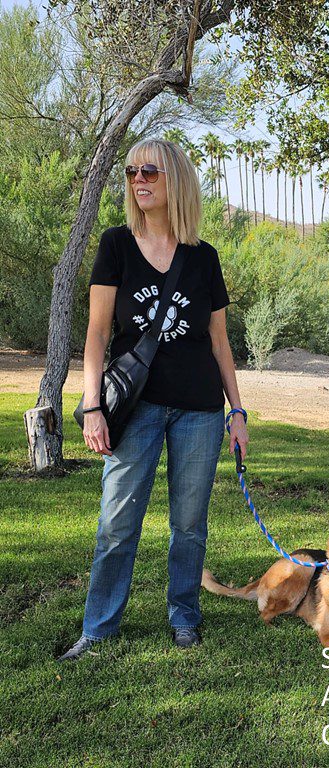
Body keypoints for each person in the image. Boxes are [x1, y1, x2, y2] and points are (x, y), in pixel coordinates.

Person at [59, 138, 248, 661]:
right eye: (131, 172)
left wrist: (237, 411)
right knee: (118, 521)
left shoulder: (203, 257)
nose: (138, 180)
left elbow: (219, 342)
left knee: (188, 525)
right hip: (134, 409)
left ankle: (184, 616)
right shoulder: (115, 245)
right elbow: (97, 335)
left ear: (176, 181)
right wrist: (92, 404)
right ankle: (98, 630)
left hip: (200, 410)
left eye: (150, 172)